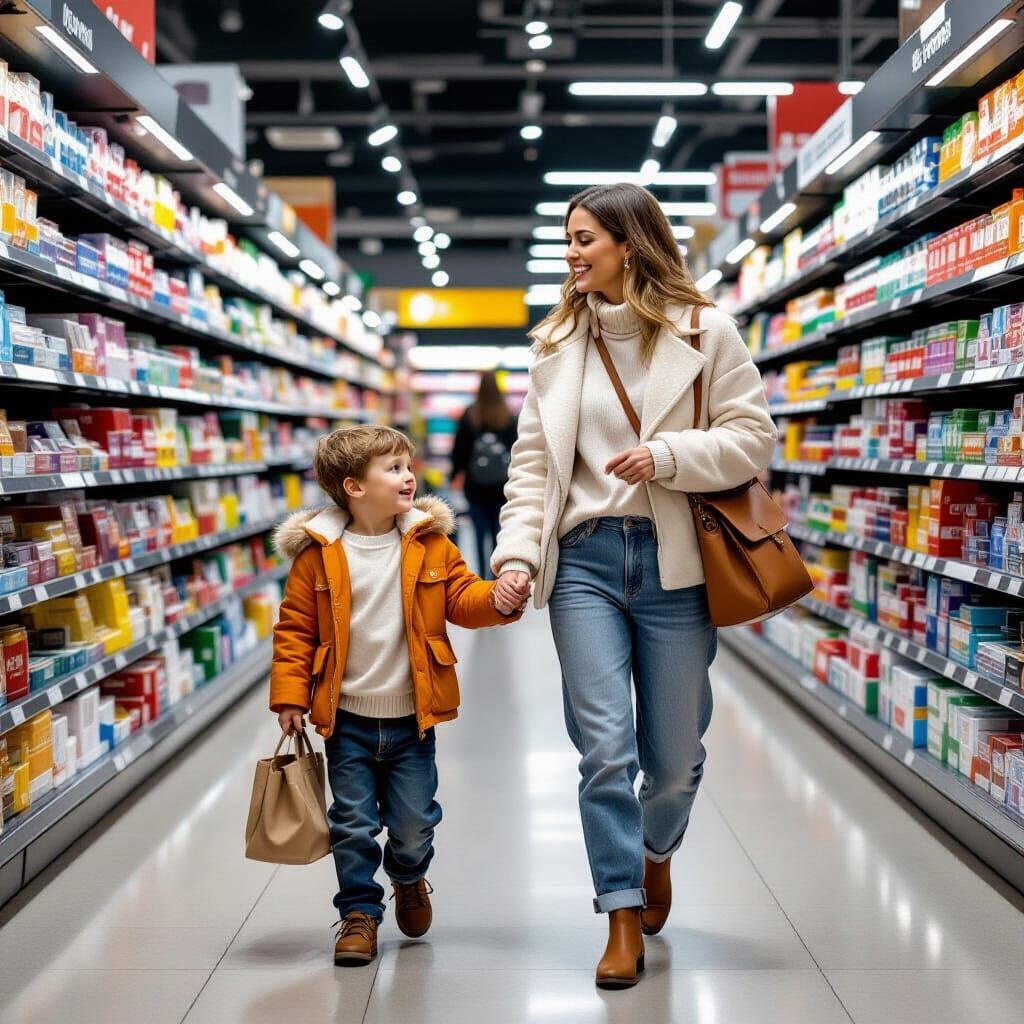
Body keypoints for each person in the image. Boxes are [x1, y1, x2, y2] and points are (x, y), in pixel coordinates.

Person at [489, 183, 777, 989]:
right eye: (568, 241)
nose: (573, 254)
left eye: (585, 239)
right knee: (603, 748)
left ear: (630, 243)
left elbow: (752, 438)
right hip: (582, 559)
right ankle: (619, 911)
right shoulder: (555, 347)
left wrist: (670, 456)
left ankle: (656, 853)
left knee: (675, 759)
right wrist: (517, 556)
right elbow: (534, 469)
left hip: (673, 560)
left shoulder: (705, 330)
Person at [269, 424, 524, 968]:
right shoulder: (318, 553)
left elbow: (462, 598)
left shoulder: (429, 541)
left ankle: (408, 876)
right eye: (393, 468)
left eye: (408, 466)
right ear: (353, 487)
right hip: (348, 719)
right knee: (352, 824)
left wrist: (498, 599)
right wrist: (290, 695)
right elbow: (295, 630)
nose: (409, 476)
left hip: (413, 718)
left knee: (413, 823)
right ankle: (360, 913)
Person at [450, 370, 518, 578]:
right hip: (501, 487)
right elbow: (516, 450)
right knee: (499, 532)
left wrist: (454, 475)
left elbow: (459, 450)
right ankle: (497, 574)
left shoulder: (470, 414)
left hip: (475, 487)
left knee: (479, 534)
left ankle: (481, 576)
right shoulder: (508, 415)